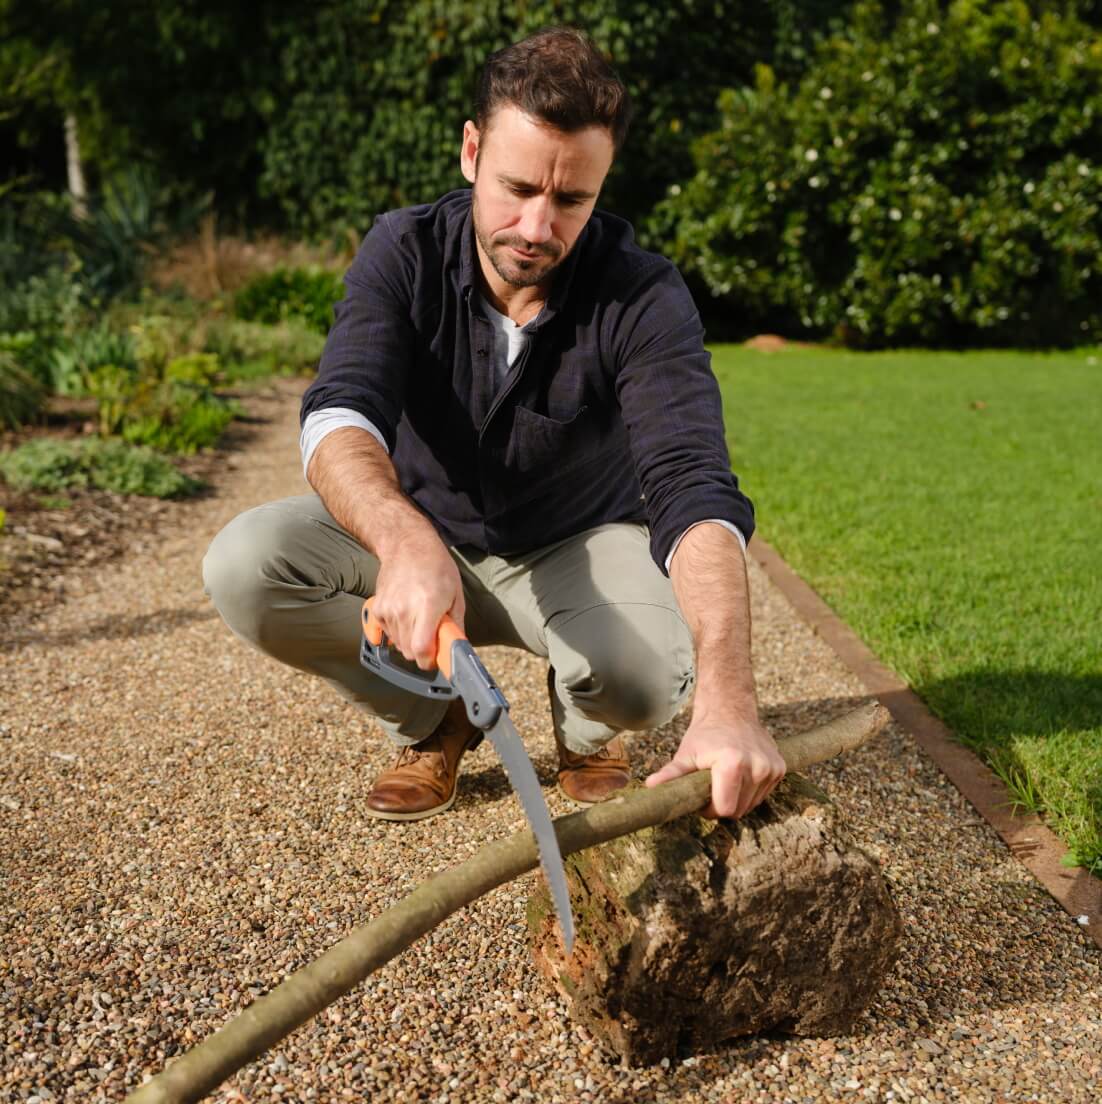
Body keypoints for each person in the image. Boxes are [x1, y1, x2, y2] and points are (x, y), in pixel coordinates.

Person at [203, 26, 786, 823]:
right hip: (425, 536)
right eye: (517, 188)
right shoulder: (401, 252)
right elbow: (340, 410)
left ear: (603, 184)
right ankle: (435, 716)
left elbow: (693, 483)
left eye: (572, 199)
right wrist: (403, 542)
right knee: (246, 564)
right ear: (472, 152)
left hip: (576, 540)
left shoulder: (643, 295)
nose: (538, 228)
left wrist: (732, 700)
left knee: (644, 676)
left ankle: (589, 730)